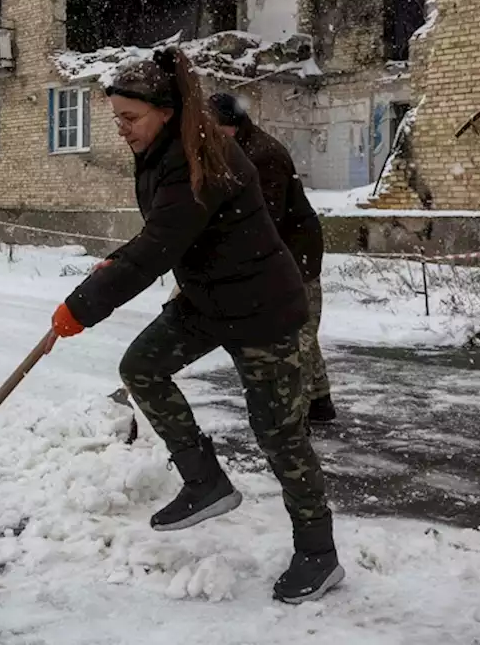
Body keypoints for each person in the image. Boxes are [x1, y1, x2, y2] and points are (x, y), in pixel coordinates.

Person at [50, 48, 343, 604]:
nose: (121, 129)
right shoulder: (164, 149)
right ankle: (204, 478)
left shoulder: (199, 158)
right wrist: (114, 264)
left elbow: (159, 246)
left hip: (262, 308)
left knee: (279, 434)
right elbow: (163, 233)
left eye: (129, 118)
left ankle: (318, 553)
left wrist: (82, 306)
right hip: (209, 300)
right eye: (115, 118)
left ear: (165, 111)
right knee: (142, 367)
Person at [209, 93, 335, 425]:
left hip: (295, 255)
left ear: (232, 126)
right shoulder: (238, 148)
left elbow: (264, 220)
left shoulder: (262, 156)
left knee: (298, 337)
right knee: (303, 331)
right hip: (280, 250)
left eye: (216, 130)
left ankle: (297, 419)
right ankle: (320, 402)